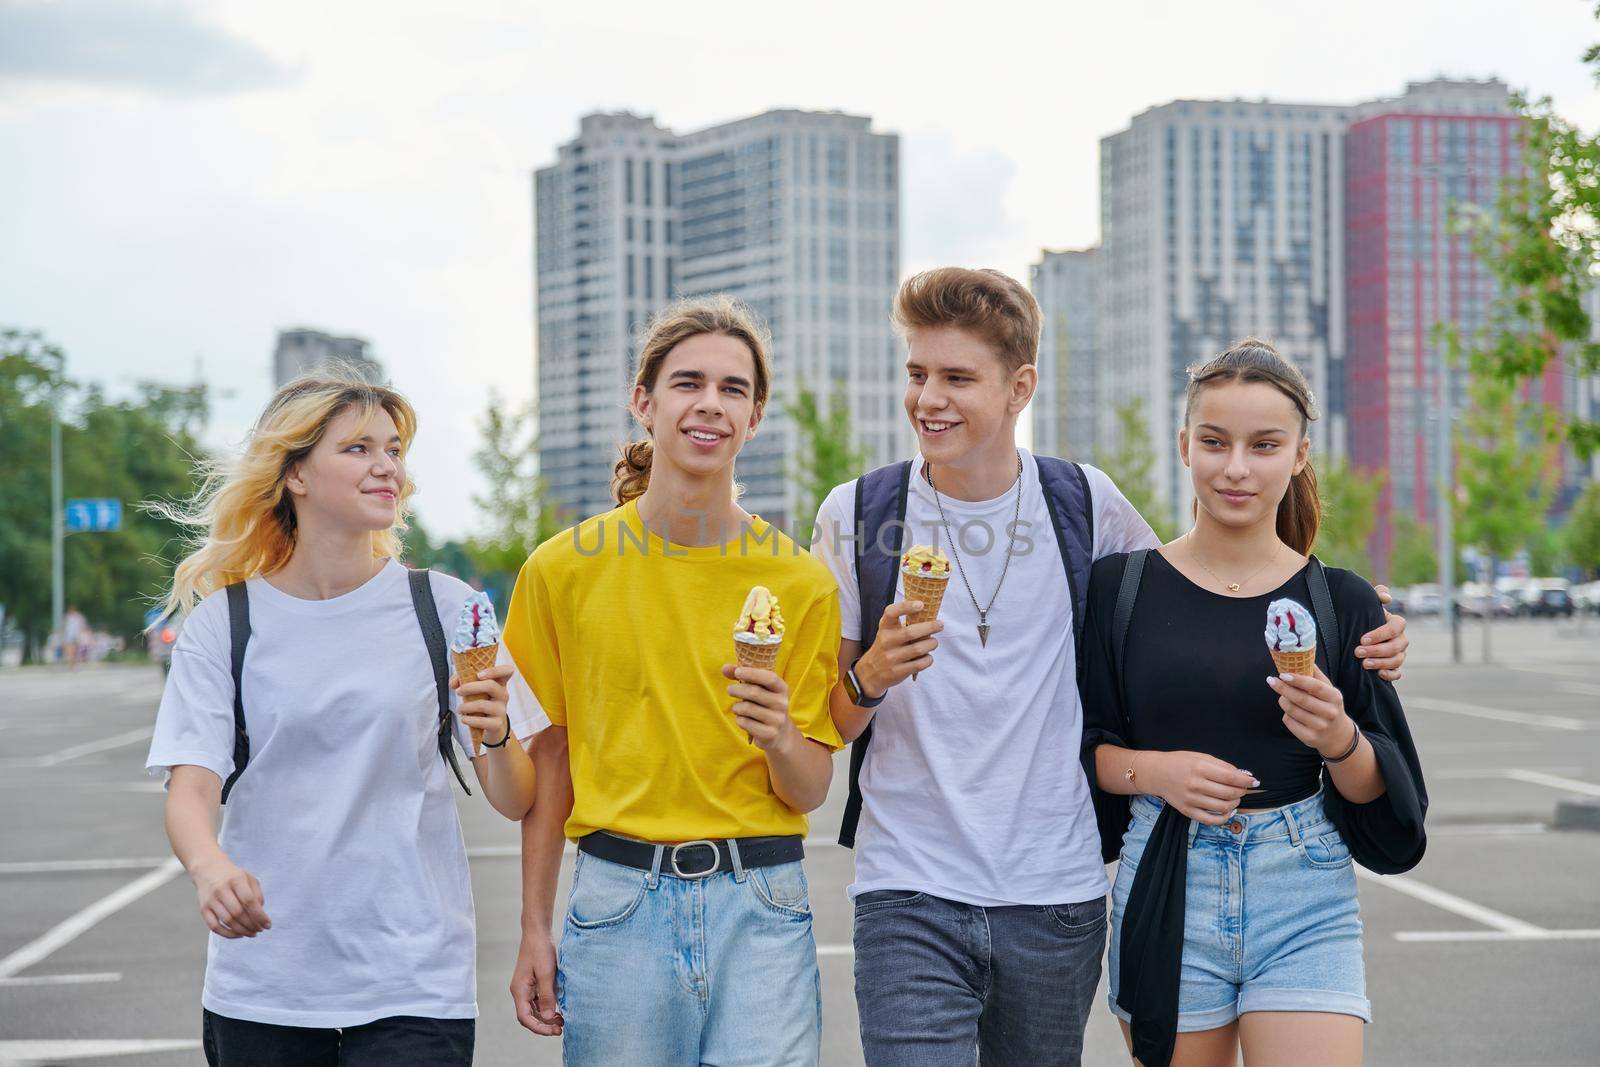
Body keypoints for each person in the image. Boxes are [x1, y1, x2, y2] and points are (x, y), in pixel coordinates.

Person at [809, 269, 1411, 1067]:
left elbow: (1204, 588)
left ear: (1021, 386)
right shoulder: (857, 515)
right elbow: (832, 720)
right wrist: (873, 676)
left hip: (1056, 886)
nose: (929, 398)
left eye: (957, 377)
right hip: (908, 879)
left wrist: (1352, 613)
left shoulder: (1084, 503)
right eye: (917, 374)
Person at [145, 371, 546, 1066]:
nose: (388, 465)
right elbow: (191, 789)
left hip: (414, 983)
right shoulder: (225, 624)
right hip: (265, 985)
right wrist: (210, 868)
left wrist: (496, 730)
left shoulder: (447, 609)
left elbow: (516, 798)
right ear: (295, 473)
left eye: (393, 448)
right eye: (358, 448)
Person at [504, 296, 844, 1066]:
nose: (710, 405)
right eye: (689, 382)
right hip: (617, 904)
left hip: (761, 901)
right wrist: (533, 926)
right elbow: (550, 761)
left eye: (733, 389)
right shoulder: (561, 571)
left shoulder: (801, 583)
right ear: (644, 400)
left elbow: (811, 786)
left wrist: (780, 732)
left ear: (755, 417)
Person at [1081, 339, 1428, 1067]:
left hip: (1304, 886)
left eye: (1264, 445)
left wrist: (1340, 738)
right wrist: (1158, 772)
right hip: (1167, 879)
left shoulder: (1343, 601)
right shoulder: (1121, 589)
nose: (1236, 467)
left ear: (1300, 454)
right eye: (1215, 441)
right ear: (1184, 446)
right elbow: (1090, 752)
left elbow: (1382, 791)